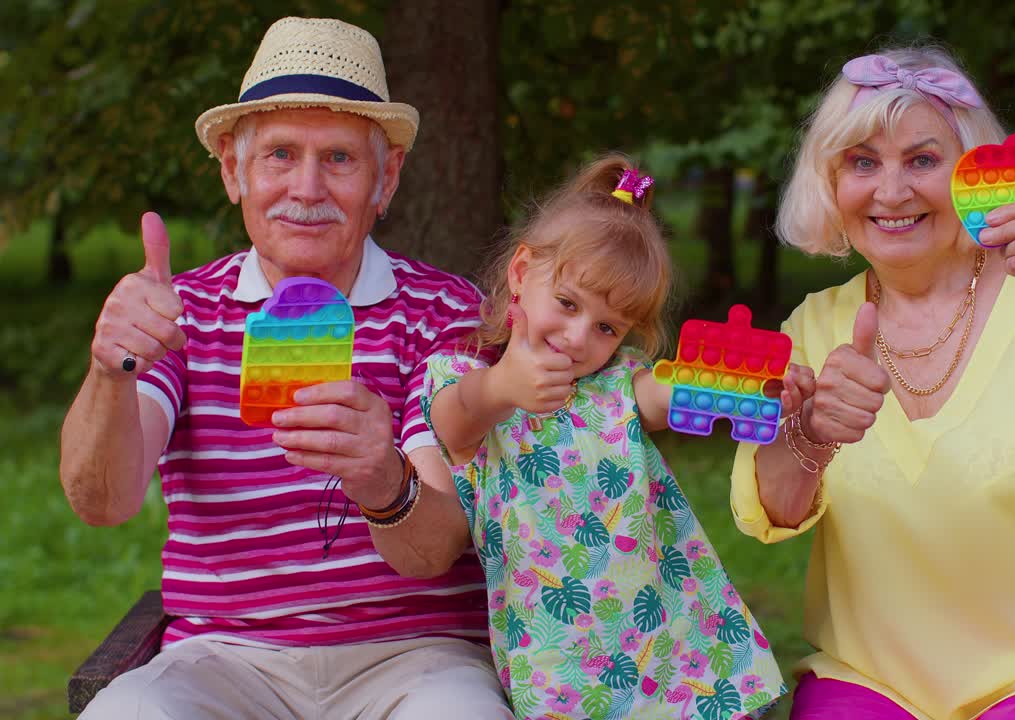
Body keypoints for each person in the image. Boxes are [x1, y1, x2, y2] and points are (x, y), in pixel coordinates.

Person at [730, 47, 1015, 720]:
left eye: (922, 160)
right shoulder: (813, 325)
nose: (892, 192)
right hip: (877, 680)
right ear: (829, 183)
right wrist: (810, 434)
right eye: (863, 163)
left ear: (975, 176)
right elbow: (772, 513)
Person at [60, 17, 513, 719]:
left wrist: (382, 478)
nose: (307, 187)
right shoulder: (181, 313)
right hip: (224, 657)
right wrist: (109, 371)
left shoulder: (444, 314)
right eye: (279, 154)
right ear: (232, 171)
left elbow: (434, 552)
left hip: (415, 658)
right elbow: (101, 502)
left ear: (386, 179)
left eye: (339, 158)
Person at [422, 154, 788, 719]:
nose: (577, 336)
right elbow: (454, 421)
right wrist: (503, 385)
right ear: (520, 272)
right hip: (560, 657)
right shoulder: (470, 384)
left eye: (606, 327)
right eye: (567, 303)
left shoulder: (614, 384)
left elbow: (666, 392)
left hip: (674, 646)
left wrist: (747, 385)